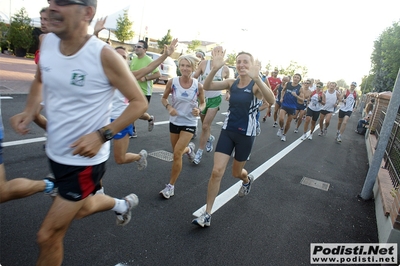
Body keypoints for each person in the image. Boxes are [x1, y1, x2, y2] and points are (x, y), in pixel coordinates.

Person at [9, 1, 148, 265]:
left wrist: (102, 135)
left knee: (48, 235)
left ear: (87, 12)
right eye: (50, 1)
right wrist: (30, 109)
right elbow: (40, 77)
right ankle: (121, 205)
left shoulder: (104, 56)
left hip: (83, 163)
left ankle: (118, 204)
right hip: (56, 154)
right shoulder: (47, 41)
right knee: (82, 209)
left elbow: (139, 102)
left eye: (61, 2)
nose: (52, 8)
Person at [192, 46, 275, 227]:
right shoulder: (231, 83)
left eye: (246, 61)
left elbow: (272, 100)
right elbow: (206, 87)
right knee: (216, 172)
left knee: (236, 172)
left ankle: (246, 180)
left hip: (246, 134)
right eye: (239, 61)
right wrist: (214, 68)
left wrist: (258, 78)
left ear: (252, 65)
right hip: (228, 131)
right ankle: (207, 213)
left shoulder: (256, 86)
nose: (241, 64)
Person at [159, 55, 205, 199]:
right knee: (177, 152)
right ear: (179, 67)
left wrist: (199, 109)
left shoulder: (198, 85)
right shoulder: (173, 82)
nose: (185, 68)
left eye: (188, 66)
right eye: (183, 65)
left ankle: (170, 186)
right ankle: (190, 149)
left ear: (193, 68)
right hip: (175, 121)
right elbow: (164, 98)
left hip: (190, 122)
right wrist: (169, 107)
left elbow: (203, 103)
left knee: (177, 154)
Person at [0, 100, 55, 204]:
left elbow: (35, 112)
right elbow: (35, 112)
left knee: (82, 208)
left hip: (80, 150)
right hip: (64, 150)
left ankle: (50, 184)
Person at [192, 55, 230, 165]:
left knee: (205, 126)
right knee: (205, 124)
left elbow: (228, 83)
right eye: (215, 51)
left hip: (215, 99)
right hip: (202, 98)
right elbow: (195, 76)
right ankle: (210, 137)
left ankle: (199, 152)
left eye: (220, 52)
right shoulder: (204, 63)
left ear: (223, 54)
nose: (217, 54)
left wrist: (227, 92)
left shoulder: (225, 69)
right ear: (212, 53)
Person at [129, 40, 158, 136]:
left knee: (138, 114)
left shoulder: (149, 61)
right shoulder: (134, 59)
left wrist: (146, 78)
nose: (136, 48)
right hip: (133, 89)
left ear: (145, 49)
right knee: (130, 110)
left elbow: (158, 74)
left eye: (139, 47)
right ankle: (132, 130)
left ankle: (150, 118)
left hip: (145, 92)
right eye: (135, 46)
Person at [276, 73, 304, 142]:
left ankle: (284, 134)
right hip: (285, 104)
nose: (296, 78)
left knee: (288, 122)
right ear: (293, 78)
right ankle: (281, 128)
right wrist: (281, 98)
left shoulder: (300, 88)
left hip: (293, 106)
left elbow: (302, 100)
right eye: (295, 77)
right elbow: (283, 91)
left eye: (298, 78)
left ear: (299, 80)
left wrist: (296, 96)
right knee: (281, 119)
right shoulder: (288, 84)